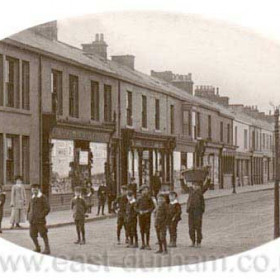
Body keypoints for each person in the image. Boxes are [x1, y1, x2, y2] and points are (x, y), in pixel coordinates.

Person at [183, 175, 211, 248]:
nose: (195, 187)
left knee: (198, 226)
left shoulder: (200, 191)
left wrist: (208, 179)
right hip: (191, 211)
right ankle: (192, 241)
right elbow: (184, 187)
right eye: (194, 185)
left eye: (196, 185)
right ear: (192, 186)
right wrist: (181, 179)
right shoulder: (190, 191)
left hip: (198, 211)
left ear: (199, 186)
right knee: (191, 227)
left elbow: (206, 186)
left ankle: (199, 242)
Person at [27, 184, 50, 254]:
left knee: (43, 234)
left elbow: (47, 208)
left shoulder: (43, 197)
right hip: (32, 220)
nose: (34, 191)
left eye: (36, 189)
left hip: (40, 221)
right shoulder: (32, 197)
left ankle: (47, 249)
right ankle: (37, 247)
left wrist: (41, 215)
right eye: (33, 189)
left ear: (39, 189)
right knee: (32, 234)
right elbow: (29, 208)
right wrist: (28, 216)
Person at [135, 185, 155, 250]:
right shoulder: (139, 199)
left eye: (146, 190)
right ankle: (143, 243)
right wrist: (139, 211)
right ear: (141, 191)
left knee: (147, 229)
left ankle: (147, 243)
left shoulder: (149, 198)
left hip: (147, 216)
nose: (145, 192)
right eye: (144, 190)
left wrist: (148, 211)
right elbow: (135, 207)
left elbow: (153, 206)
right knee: (142, 230)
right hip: (141, 216)